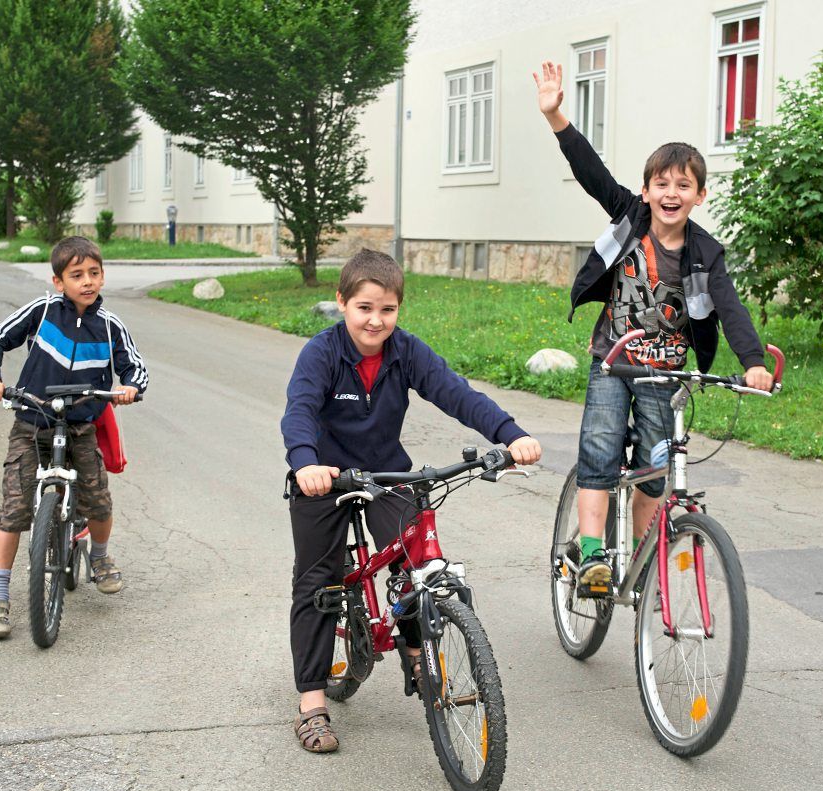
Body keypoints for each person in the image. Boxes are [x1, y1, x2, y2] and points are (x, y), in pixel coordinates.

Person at [280, 248, 542, 753]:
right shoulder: (322, 353)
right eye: (364, 308)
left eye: (387, 309)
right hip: (325, 477)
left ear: (399, 310)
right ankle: (312, 702)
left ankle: (418, 653)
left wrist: (510, 435)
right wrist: (305, 462)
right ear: (342, 304)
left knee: (415, 561)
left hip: (384, 470)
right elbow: (300, 410)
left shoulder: (405, 352)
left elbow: (457, 393)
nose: (375, 320)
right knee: (318, 582)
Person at [532, 61, 773, 590]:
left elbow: (729, 307)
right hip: (613, 364)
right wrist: (556, 118)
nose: (670, 192)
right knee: (599, 449)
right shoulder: (629, 216)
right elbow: (590, 170)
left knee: (654, 471)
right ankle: (594, 555)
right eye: (660, 183)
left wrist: (753, 362)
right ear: (645, 191)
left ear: (699, 195)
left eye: (682, 185)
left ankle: (643, 566)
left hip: (667, 376)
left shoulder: (707, 253)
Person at [0, 236, 149, 639]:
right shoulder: (42, 312)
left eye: (94, 273)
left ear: (102, 276)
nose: (87, 282)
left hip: (82, 423)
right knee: (15, 507)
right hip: (31, 420)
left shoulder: (110, 326)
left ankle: (101, 558)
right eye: (76, 275)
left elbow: (134, 367)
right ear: (59, 281)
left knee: (97, 498)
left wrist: (130, 388)